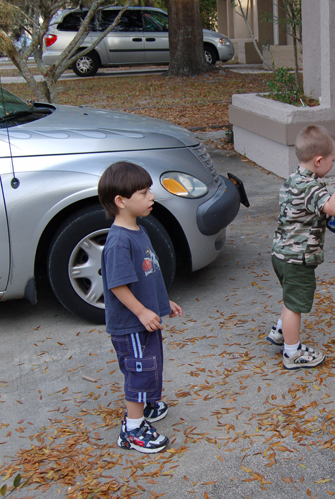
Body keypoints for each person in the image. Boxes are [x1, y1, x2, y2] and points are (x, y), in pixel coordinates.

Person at [267, 125, 335, 369]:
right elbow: (334, 208)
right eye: (333, 161)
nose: (333, 165)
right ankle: (292, 353)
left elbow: (310, 211)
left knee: (290, 296)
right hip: (298, 258)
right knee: (295, 305)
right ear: (318, 160)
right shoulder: (311, 187)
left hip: (282, 254)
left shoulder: (294, 180)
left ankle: (281, 331)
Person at [97, 161, 182, 453]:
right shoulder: (119, 241)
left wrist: (161, 303)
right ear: (121, 201)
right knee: (140, 371)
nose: (151, 197)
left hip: (143, 320)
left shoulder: (137, 230)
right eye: (143, 192)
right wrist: (141, 312)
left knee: (149, 364)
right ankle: (132, 430)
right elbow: (118, 285)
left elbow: (148, 275)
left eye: (150, 191)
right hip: (130, 324)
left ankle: (145, 404)